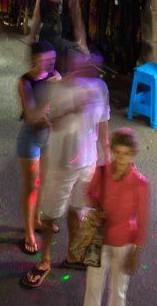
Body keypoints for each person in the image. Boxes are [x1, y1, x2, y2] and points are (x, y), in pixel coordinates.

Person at [25, 50, 111, 290]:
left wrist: (106, 158)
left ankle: (74, 255)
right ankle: (45, 260)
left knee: (78, 210)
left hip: (88, 161)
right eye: (84, 65)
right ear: (74, 65)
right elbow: (48, 122)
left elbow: (103, 124)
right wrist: (72, 109)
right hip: (62, 164)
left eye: (94, 67)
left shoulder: (100, 88)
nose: (89, 71)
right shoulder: (58, 88)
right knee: (52, 214)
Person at [81, 128, 151, 306]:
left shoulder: (140, 184)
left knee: (119, 285)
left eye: (126, 153)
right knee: (93, 282)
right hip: (99, 238)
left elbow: (143, 219)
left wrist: (136, 252)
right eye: (118, 152)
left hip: (124, 241)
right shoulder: (102, 171)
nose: (121, 158)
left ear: (133, 154)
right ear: (112, 150)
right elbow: (89, 193)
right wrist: (96, 205)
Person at [17, 43, 59, 256]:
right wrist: (53, 94)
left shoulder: (55, 75)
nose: (50, 64)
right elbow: (32, 116)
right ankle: (28, 232)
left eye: (52, 60)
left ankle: (37, 220)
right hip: (30, 140)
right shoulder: (25, 82)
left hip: (48, 138)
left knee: (42, 183)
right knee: (31, 186)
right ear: (34, 60)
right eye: (45, 61)